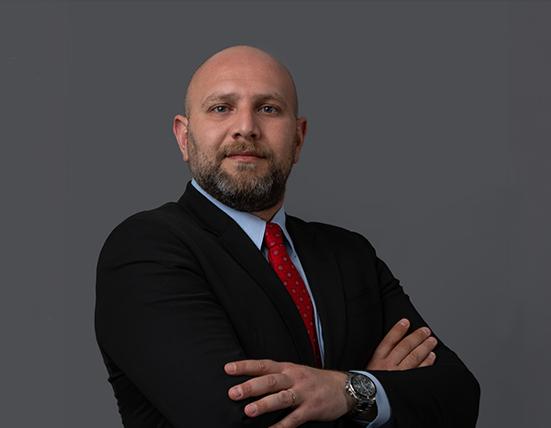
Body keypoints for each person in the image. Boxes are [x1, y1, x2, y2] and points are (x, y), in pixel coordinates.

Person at [95, 45, 480, 428]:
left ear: (298, 138)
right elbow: (238, 421)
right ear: (184, 136)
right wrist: (362, 392)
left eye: (268, 108)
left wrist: (343, 388)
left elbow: (459, 397)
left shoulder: (350, 255)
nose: (246, 127)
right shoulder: (145, 250)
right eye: (221, 108)